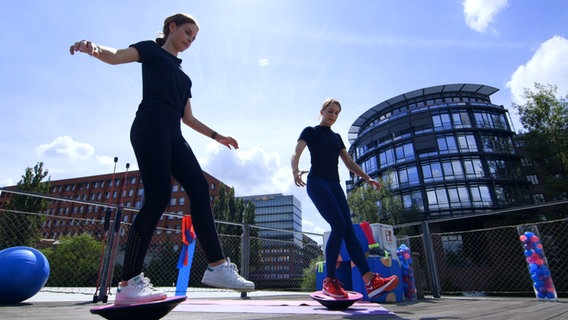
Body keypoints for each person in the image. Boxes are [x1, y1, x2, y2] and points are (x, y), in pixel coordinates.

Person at [70, 13, 254, 305]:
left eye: (194, 38)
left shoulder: (184, 77)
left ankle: (218, 266)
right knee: (158, 199)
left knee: (199, 188)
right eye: (187, 32)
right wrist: (93, 47)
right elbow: (117, 55)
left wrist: (217, 136)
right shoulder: (151, 51)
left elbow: (188, 117)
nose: (190, 40)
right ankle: (129, 281)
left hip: (174, 133)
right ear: (172, 27)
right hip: (149, 125)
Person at [291, 98, 399, 299]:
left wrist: (367, 178)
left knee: (348, 230)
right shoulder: (310, 132)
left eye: (336, 113)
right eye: (330, 111)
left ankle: (370, 281)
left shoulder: (337, 138)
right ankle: (329, 281)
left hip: (334, 185)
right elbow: (296, 153)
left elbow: (349, 163)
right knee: (339, 225)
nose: (332, 116)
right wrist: (295, 170)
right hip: (317, 183)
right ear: (322, 111)